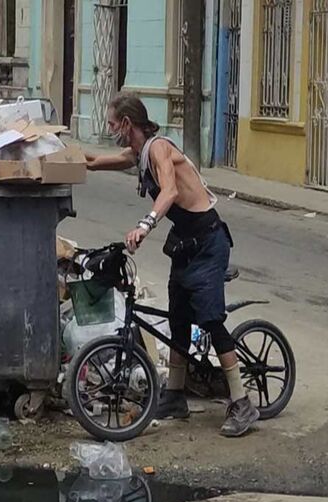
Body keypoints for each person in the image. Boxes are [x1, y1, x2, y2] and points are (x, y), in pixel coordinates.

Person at [85, 94, 260, 438]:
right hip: (185, 244)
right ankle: (175, 397)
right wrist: (53, 152)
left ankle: (241, 402)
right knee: (178, 318)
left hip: (209, 242)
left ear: (126, 123)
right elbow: (94, 161)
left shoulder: (158, 149)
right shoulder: (136, 154)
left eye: (111, 124)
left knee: (210, 318)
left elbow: (168, 192)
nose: (109, 130)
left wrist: (144, 226)